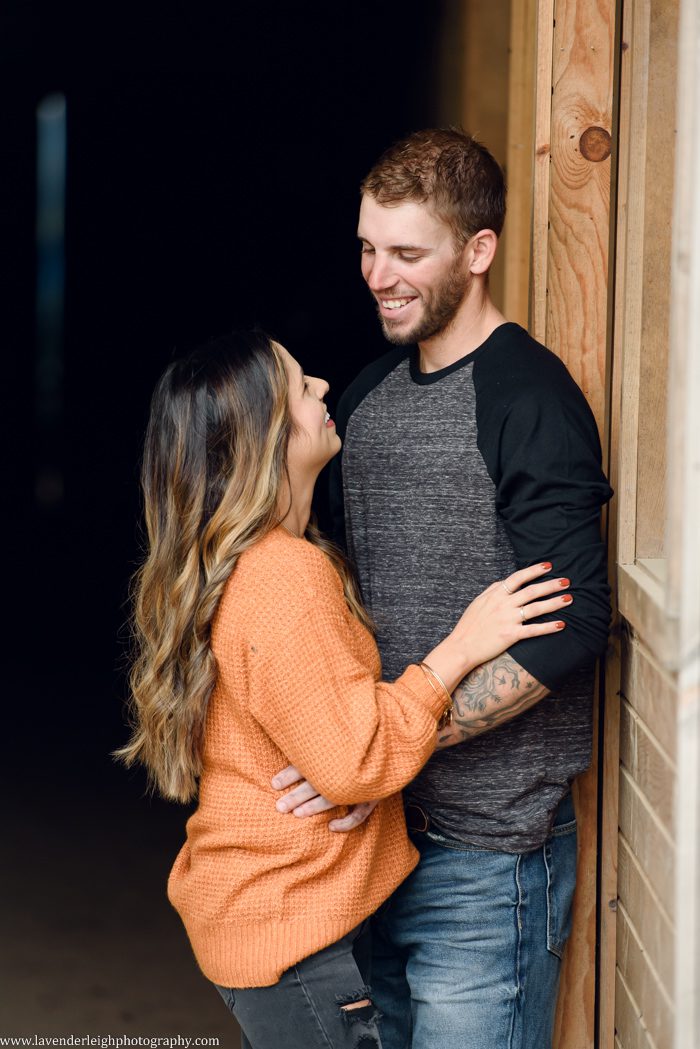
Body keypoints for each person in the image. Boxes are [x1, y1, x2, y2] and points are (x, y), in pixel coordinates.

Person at [115, 330, 572, 1049]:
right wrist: (460, 646)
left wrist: (354, 774)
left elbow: (337, 750)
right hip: (289, 935)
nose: (323, 387)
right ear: (262, 435)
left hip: (270, 918)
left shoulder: (267, 561)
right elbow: (357, 759)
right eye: (300, 387)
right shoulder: (283, 575)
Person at [273, 129, 613, 1049]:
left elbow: (574, 622)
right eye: (367, 247)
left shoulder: (528, 398)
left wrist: (396, 744)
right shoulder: (369, 400)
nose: (378, 274)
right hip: (374, 846)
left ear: (478, 251)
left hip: (488, 862)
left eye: (407, 253)